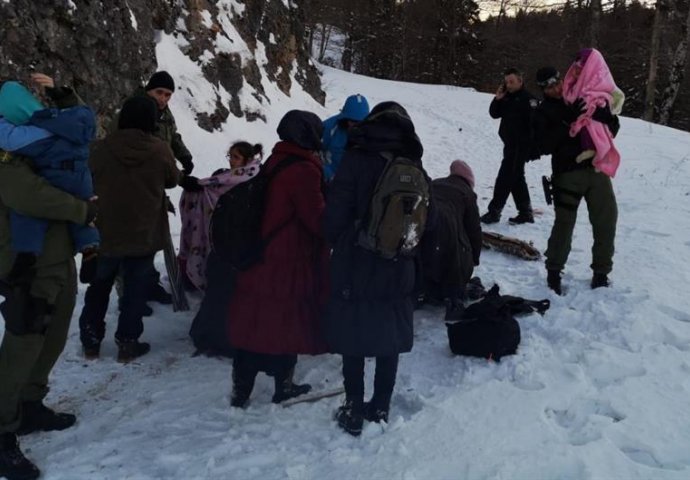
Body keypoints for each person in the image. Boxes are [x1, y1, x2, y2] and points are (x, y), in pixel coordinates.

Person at [0, 73, 97, 480]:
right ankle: (3, 429)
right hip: (26, 262)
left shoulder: (38, 142)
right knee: (24, 342)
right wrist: (81, 210)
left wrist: (63, 94)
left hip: (57, 261)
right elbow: (26, 195)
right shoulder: (9, 150)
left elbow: (79, 130)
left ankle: (30, 404)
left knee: (54, 334)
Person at [323, 101, 429, 436]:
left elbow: (335, 214)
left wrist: (335, 239)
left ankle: (354, 406)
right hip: (399, 263)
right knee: (390, 336)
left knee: (352, 332)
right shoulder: (413, 162)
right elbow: (431, 218)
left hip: (356, 260)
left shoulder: (356, 158)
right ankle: (381, 405)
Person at [227, 110, 329, 407]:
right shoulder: (304, 170)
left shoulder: (275, 160)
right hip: (288, 258)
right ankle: (283, 385)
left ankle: (240, 390)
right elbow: (317, 220)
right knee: (286, 323)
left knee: (254, 322)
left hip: (260, 253)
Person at [78, 96, 180, 362]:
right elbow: (172, 179)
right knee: (135, 291)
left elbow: (86, 177)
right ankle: (127, 342)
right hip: (143, 232)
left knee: (99, 287)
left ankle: (90, 341)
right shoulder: (159, 150)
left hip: (105, 231)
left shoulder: (100, 149)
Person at [0, 81, 99, 285]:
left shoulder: (36, 132)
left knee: (28, 213)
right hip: (81, 176)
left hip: (55, 174)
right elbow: (80, 112)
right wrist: (64, 97)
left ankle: (27, 253)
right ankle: (90, 247)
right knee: (86, 212)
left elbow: (10, 139)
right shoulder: (66, 122)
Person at [533, 64, 620, 294]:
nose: (555, 88)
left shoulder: (581, 94)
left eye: (556, 82)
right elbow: (543, 144)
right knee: (564, 224)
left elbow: (612, 126)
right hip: (567, 174)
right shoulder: (543, 111)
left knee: (607, 219)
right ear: (542, 89)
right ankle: (554, 271)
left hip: (596, 170)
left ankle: (601, 273)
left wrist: (606, 117)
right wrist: (567, 122)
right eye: (548, 86)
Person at [112, 71, 194, 308]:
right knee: (131, 242)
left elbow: (173, 137)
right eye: (160, 92)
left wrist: (184, 156)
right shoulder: (133, 110)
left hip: (155, 185)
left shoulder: (164, 114)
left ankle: (149, 284)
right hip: (133, 185)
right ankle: (128, 295)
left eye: (168, 95)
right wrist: (176, 175)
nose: (164, 98)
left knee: (152, 240)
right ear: (149, 89)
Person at [181, 142, 262, 358]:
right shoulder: (228, 178)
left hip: (234, 244)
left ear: (246, 160)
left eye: (236, 157)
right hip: (226, 244)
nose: (231, 161)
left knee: (224, 294)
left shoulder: (247, 180)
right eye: (230, 156)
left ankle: (214, 336)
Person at [420, 160, 482, 319]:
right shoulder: (467, 193)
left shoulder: (437, 182)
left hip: (425, 219)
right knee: (456, 250)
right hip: (448, 227)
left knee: (426, 249)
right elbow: (474, 230)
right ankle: (453, 296)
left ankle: (423, 288)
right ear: (469, 181)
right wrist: (474, 258)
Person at [481, 67, 540, 225]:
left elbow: (537, 126)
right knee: (516, 178)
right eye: (507, 82)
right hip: (509, 144)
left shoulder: (530, 100)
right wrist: (497, 98)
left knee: (505, 177)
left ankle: (494, 211)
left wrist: (532, 149)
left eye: (512, 82)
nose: (509, 85)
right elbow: (494, 114)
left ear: (520, 81)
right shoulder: (506, 97)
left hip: (521, 147)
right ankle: (525, 212)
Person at [321, 94, 369, 181]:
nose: (356, 125)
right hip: (329, 182)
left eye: (360, 122)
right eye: (352, 121)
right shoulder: (329, 127)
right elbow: (313, 152)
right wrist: (327, 173)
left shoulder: (372, 134)